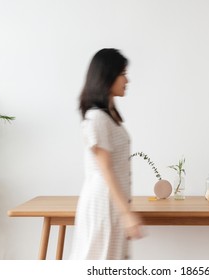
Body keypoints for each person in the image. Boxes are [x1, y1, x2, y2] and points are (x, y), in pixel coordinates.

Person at [69, 48, 142, 260]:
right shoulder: (97, 119)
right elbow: (106, 170)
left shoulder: (108, 117)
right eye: (123, 74)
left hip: (113, 203)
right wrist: (127, 214)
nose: (127, 80)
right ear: (107, 76)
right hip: (103, 203)